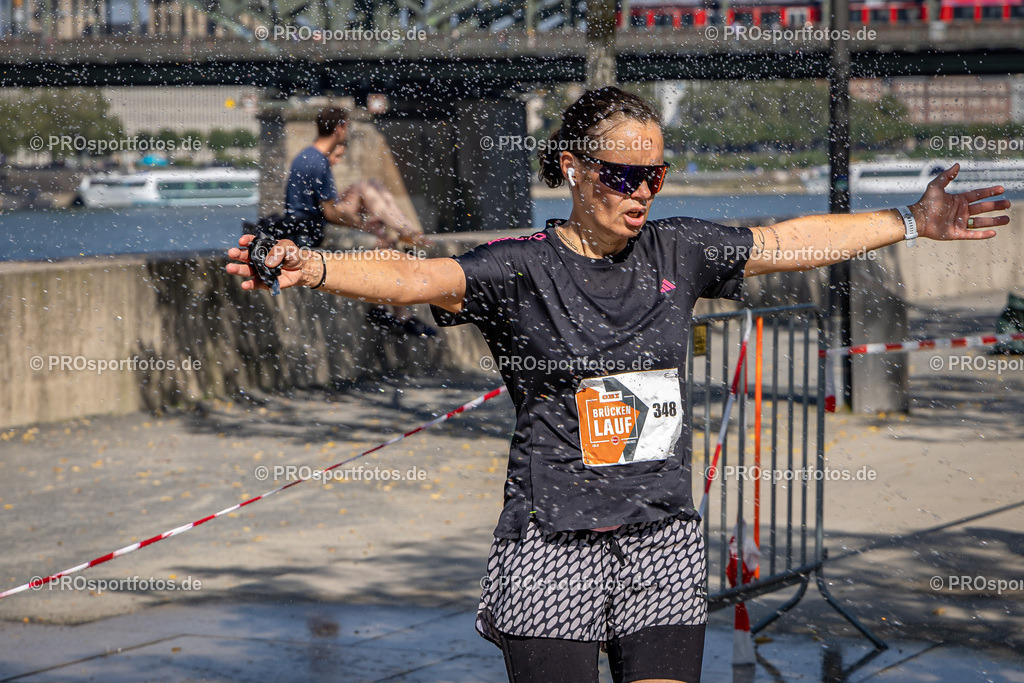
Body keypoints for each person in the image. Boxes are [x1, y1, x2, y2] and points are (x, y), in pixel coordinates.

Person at [227, 87, 1010, 683]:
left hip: (661, 539)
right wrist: (314, 265)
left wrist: (910, 219)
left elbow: (789, 239)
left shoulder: (679, 253)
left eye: (655, 175)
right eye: (623, 174)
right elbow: (410, 276)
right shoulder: (519, 270)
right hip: (552, 542)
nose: (642, 191)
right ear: (571, 167)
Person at [285, 107, 435, 336]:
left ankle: (390, 312)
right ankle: (392, 312)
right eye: (346, 127)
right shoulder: (318, 162)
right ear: (339, 128)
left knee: (371, 194)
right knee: (383, 247)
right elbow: (330, 213)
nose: (347, 132)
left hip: (302, 227)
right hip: (311, 233)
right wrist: (362, 224)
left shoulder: (306, 155)